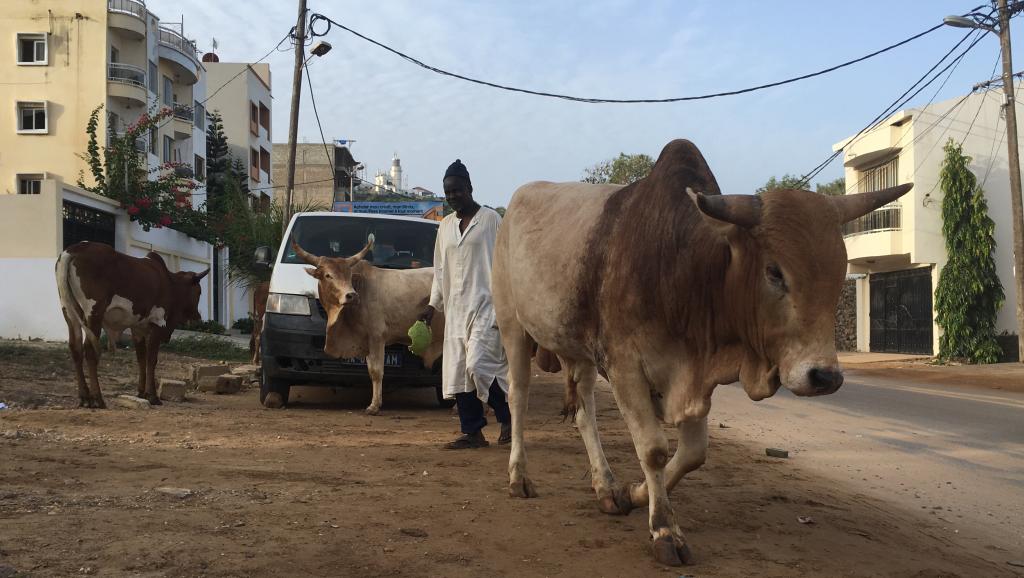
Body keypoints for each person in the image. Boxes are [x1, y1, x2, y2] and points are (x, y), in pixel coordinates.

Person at [422, 159, 511, 449]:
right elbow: (439, 270)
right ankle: (472, 432)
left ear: (470, 188)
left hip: (488, 305)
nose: (452, 197)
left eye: (457, 191)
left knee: (479, 365)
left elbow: (506, 262)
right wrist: (432, 307)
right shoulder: (445, 227)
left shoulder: (491, 220)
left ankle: (508, 418)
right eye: (447, 193)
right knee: (459, 371)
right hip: (456, 310)